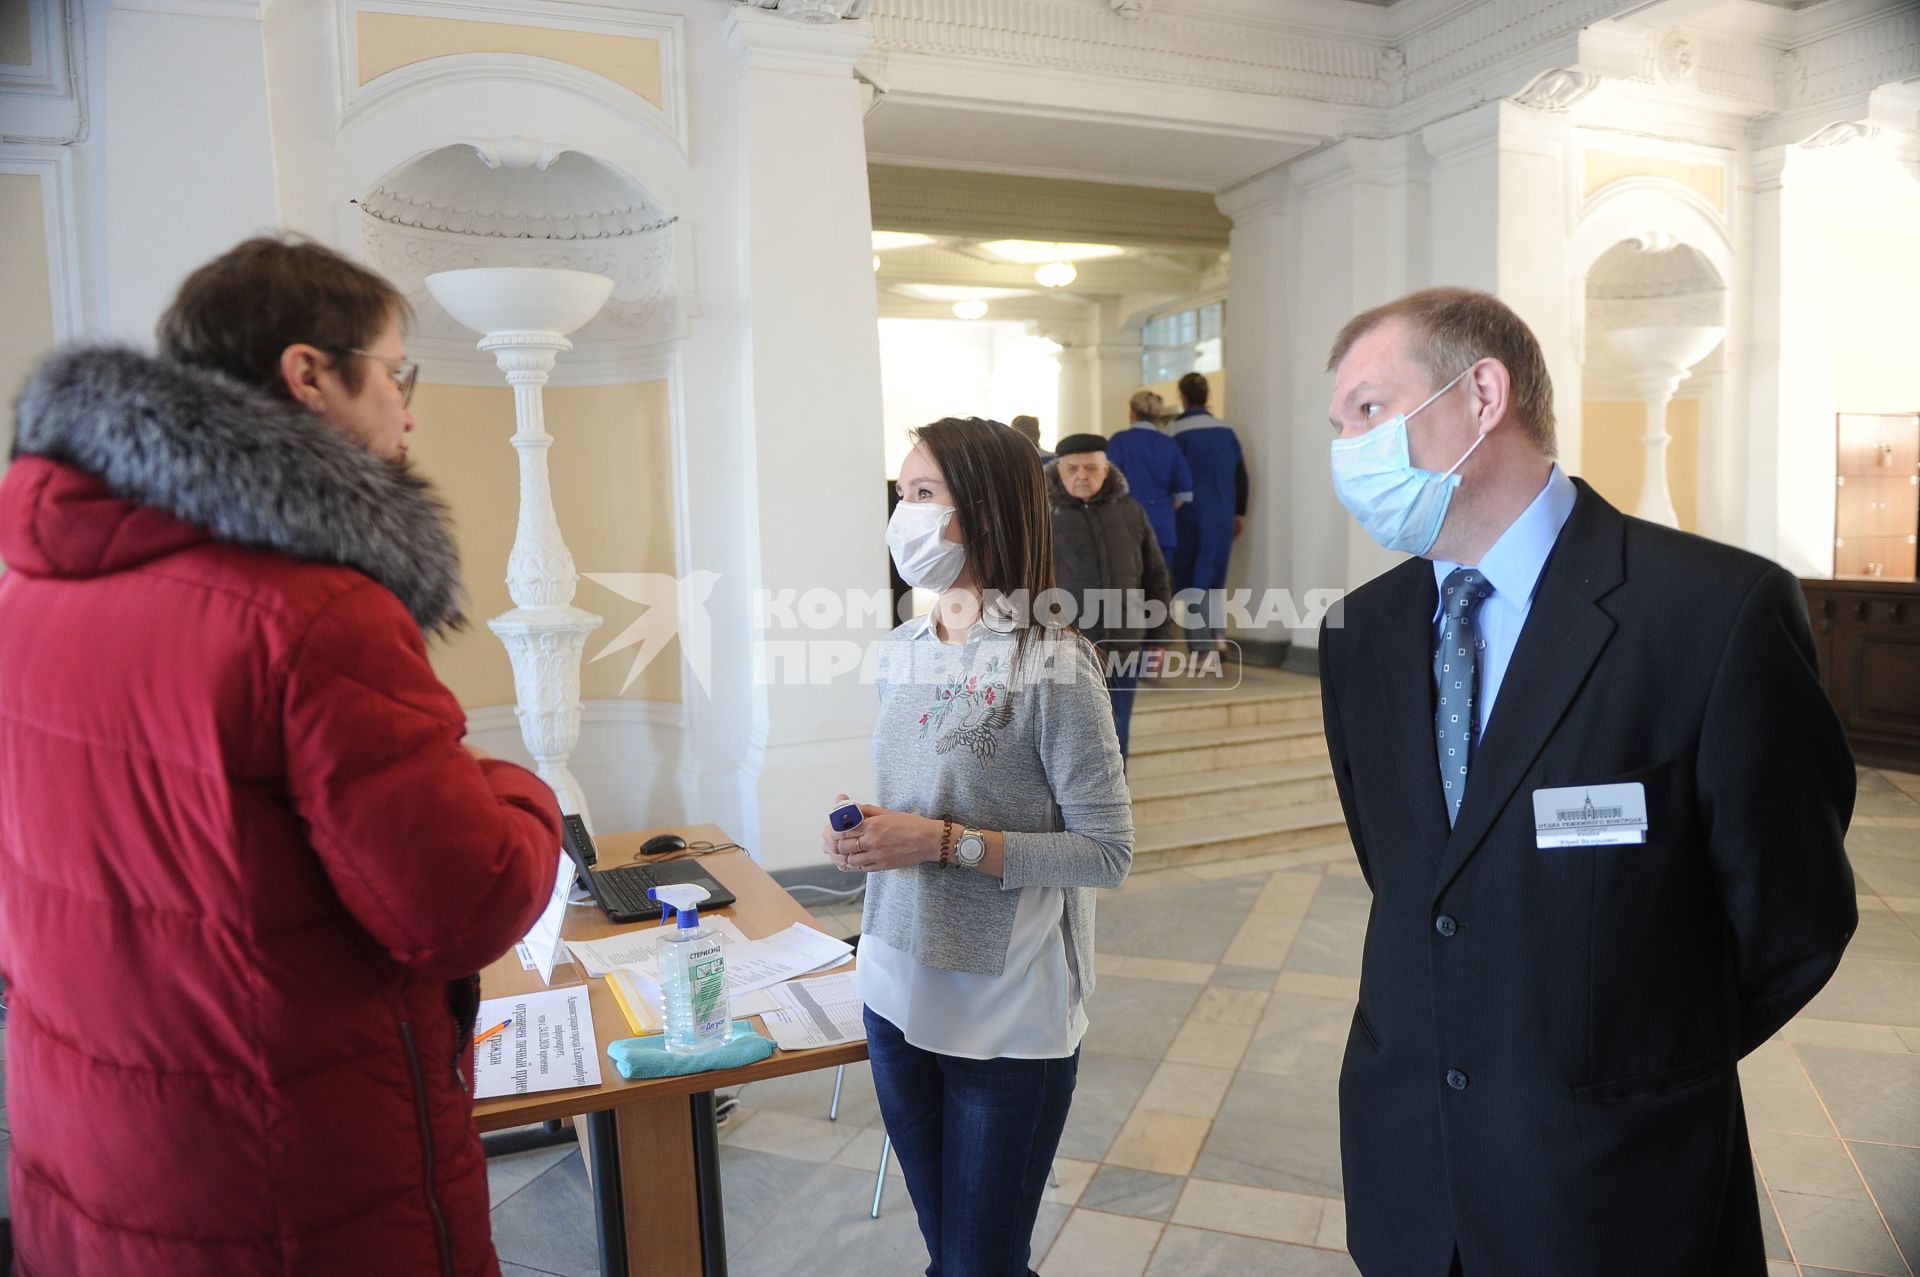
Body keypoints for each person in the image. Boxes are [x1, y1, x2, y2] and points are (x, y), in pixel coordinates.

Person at [0, 236, 564, 1276]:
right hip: (284, 1172)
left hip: (91, 1149)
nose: (409, 408)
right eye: (398, 372)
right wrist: (520, 792)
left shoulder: (29, 590)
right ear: (309, 374)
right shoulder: (312, 611)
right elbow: (461, 901)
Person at [1317, 287, 1856, 1277]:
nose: (1345, 447)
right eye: (1337, 422)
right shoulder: (1359, 633)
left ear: (1482, 393)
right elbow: (1412, 878)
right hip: (1409, 1181)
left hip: (1618, 1191)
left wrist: (1629, 1062)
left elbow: (1795, 922)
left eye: (1367, 409)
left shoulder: (1713, 613)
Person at [824, 416, 1132, 1277]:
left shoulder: (1056, 664)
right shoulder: (901, 651)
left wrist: (943, 842)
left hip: (1005, 1014)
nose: (903, 514)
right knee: (947, 1256)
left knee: (979, 1265)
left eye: (924, 495)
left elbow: (1107, 851)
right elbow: (924, 799)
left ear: (986, 515)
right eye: (903, 493)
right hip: (894, 985)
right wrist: (868, 828)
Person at [1046, 432, 1175, 758]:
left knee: (1117, 740)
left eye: (1090, 468)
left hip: (1124, 649)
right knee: (1071, 744)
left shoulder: (1130, 512)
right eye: (1072, 468)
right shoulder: (1043, 516)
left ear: (1106, 469)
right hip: (1066, 653)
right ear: (1059, 469)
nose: (1081, 476)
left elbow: (1155, 579)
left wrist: (1159, 638)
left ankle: (1117, 808)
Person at [1168, 372, 1247, 648]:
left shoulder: (1174, 433)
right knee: (1215, 575)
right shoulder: (1227, 430)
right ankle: (1219, 636)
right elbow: (1241, 475)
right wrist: (1239, 513)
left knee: (1192, 578)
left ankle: (1201, 645)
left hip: (1188, 516)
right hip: (1223, 514)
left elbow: (1171, 477)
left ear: (1182, 397)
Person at [1103, 389, 1193, 569]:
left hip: (1125, 525)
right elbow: (1184, 493)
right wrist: (1163, 507)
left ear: (1132, 412)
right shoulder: (1169, 445)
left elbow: (1106, 485)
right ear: (1158, 416)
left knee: (1128, 586)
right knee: (1158, 588)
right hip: (1163, 526)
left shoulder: (1119, 442)